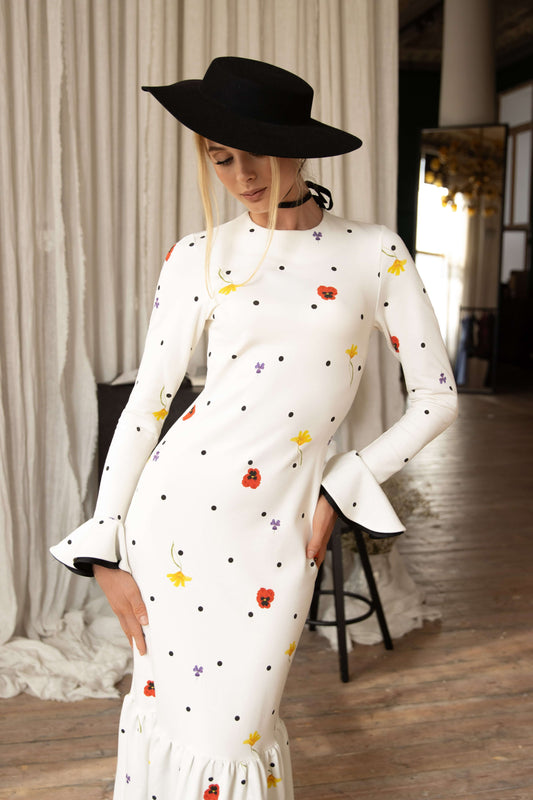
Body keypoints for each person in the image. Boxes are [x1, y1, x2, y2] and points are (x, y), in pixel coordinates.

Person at [51, 56, 457, 800]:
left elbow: (437, 397)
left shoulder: (373, 252)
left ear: (297, 147)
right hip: (174, 518)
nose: (240, 175)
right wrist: (105, 542)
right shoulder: (196, 254)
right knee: (170, 716)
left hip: (280, 531)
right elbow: (149, 402)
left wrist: (344, 482)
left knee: (237, 733)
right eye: (220, 156)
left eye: (257, 152)